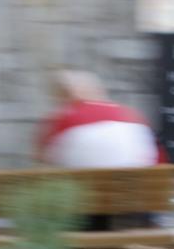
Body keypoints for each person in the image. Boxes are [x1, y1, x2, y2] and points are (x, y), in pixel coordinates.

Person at [35, 68, 164, 230]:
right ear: (98, 91)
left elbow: (42, 161)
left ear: (64, 95)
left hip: (88, 216)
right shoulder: (133, 116)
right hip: (138, 212)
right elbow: (158, 160)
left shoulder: (59, 120)